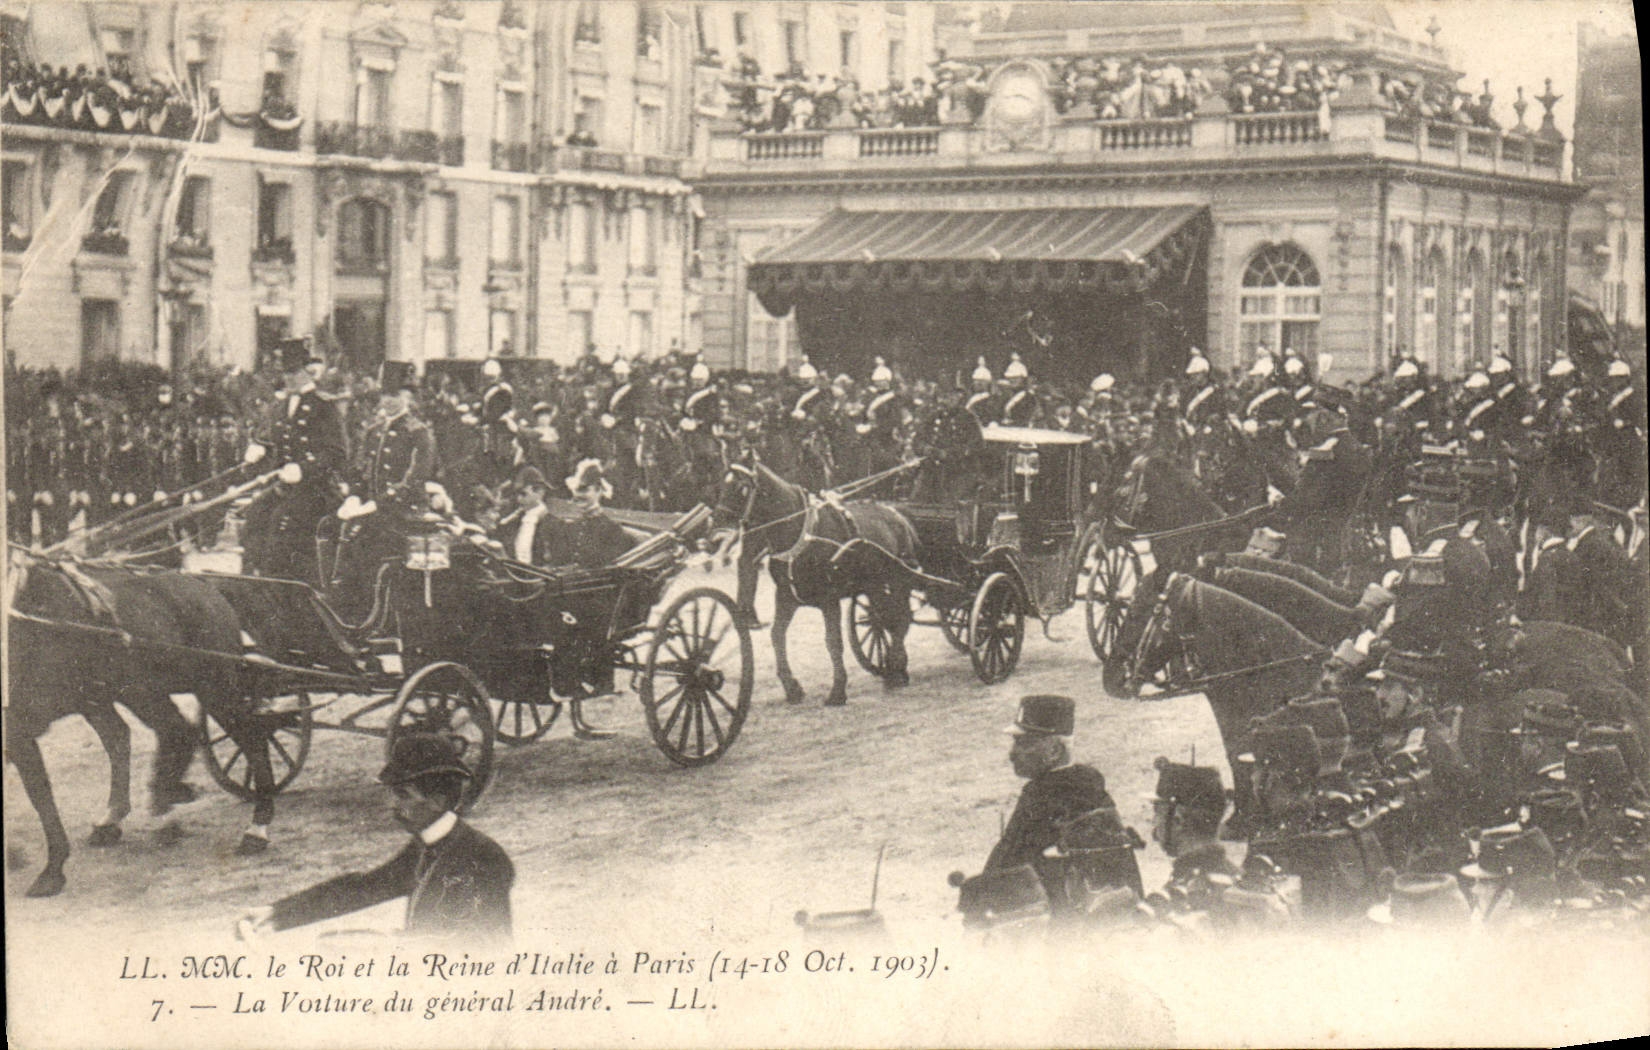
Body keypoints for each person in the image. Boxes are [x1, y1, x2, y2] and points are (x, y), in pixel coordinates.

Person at [237, 733, 513, 943]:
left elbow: (476, 949)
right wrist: (275, 913)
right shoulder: (429, 846)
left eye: (403, 795)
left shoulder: (482, 858)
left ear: (438, 801)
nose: (391, 804)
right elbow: (365, 887)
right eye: (391, 793)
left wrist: (383, 944)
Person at [985, 695, 1116, 874]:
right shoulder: (1088, 787)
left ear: (1054, 750)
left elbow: (1009, 865)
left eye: (1023, 743)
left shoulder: (1042, 798)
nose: (1012, 753)